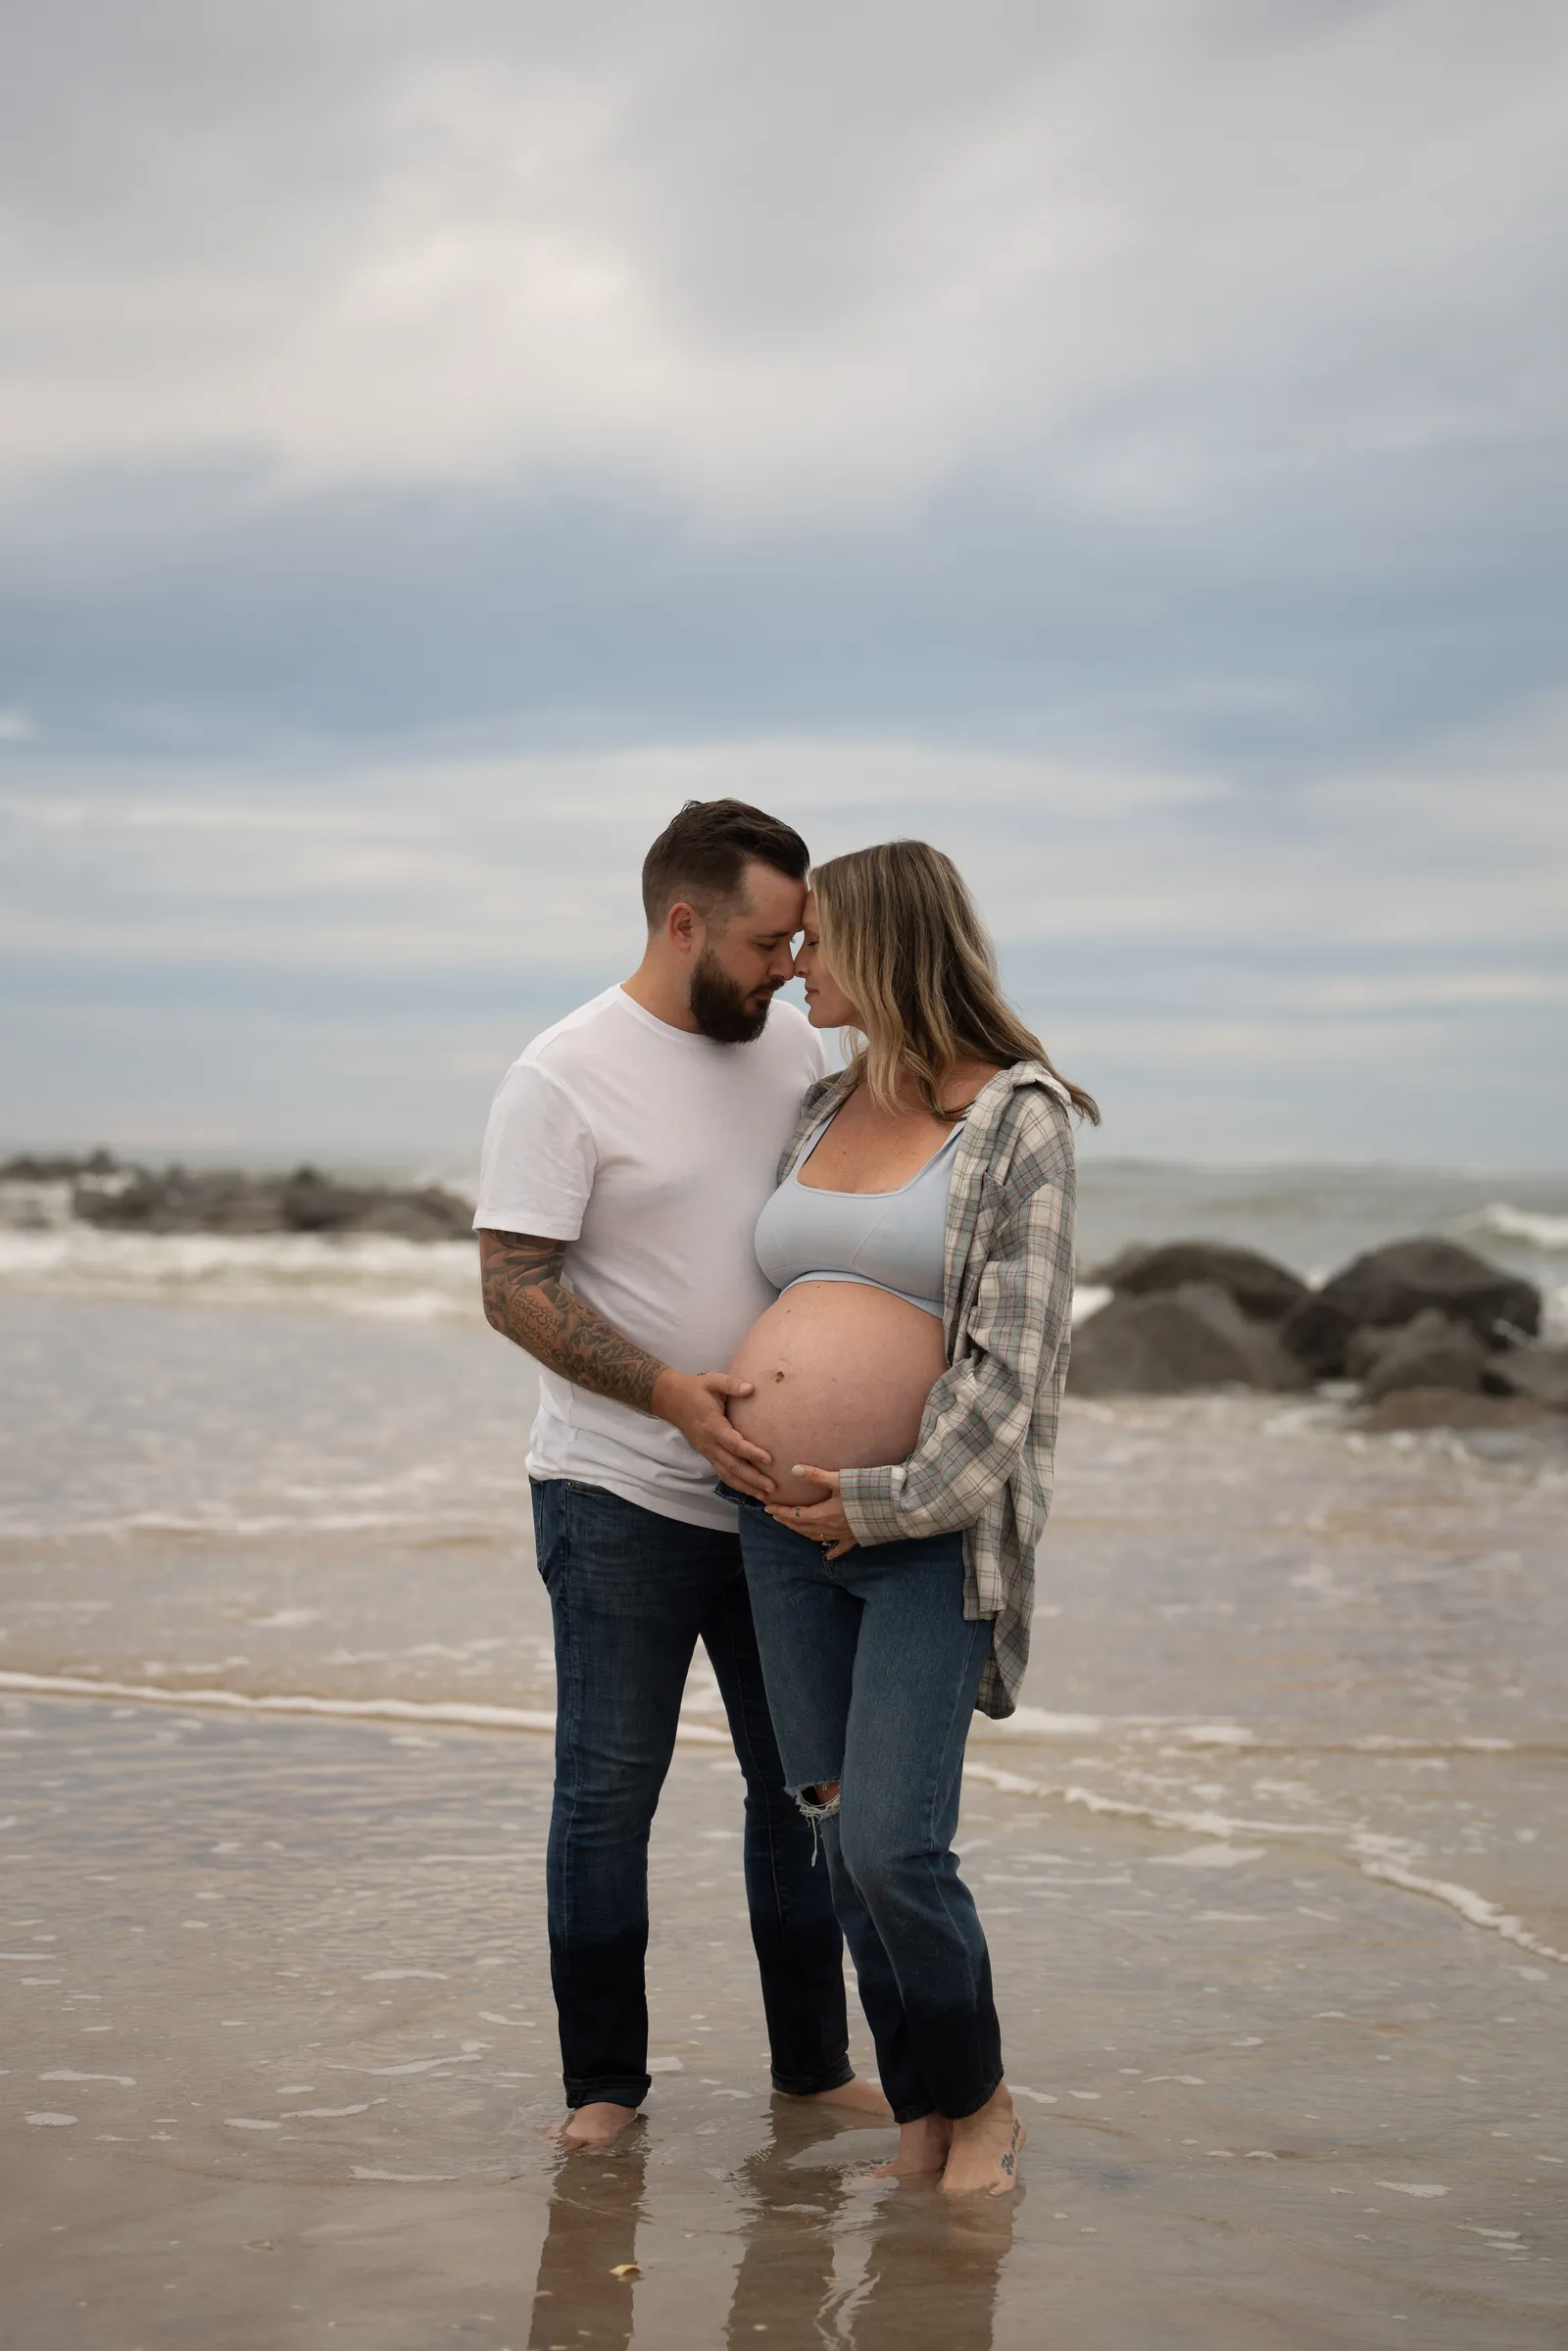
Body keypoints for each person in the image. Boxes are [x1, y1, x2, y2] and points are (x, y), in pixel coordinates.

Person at [474, 799, 891, 2150]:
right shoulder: (562, 1071)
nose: (788, 970)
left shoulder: (795, 1050)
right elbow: (511, 1281)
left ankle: (812, 2067)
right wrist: (665, 1393)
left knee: (802, 1785)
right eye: (770, 943)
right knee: (608, 1789)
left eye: (796, 947)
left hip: (784, 1498)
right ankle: (604, 2089)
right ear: (683, 920)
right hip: (617, 1493)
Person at [720, 840, 1098, 2195]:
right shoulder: (820, 1104)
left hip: (920, 1535)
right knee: (829, 1825)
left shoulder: (1020, 1117)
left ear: (881, 944)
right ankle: (924, 2110)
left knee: (895, 1841)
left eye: (815, 940)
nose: (797, 963)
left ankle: (981, 2095)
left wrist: (872, 1502)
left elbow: (1011, 1372)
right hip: (776, 1524)